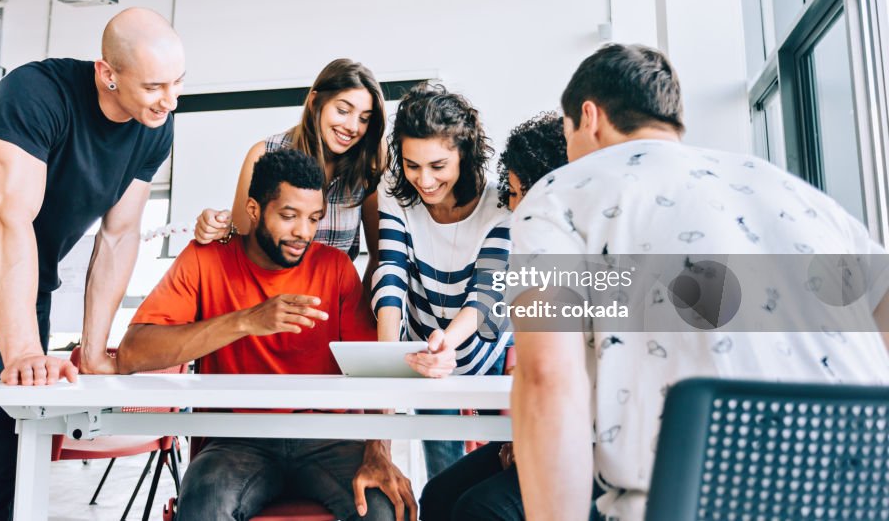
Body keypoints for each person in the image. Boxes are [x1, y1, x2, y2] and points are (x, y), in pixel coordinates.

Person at [509, 43, 889, 521]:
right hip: (863, 495)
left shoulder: (554, 196)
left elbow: (545, 376)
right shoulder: (792, 190)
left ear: (589, 117)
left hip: (692, 504)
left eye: (566, 135)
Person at [0, 7, 183, 520]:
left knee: (28, 439)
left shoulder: (154, 127)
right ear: (108, 73)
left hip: (28, 282)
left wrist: (94, 350)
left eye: (178, 82)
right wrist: (25, 349)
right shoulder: (35, 94)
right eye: (154, 86)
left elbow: (119, 237)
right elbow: (8, 220)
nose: (170, 99)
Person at [117, 148, 416, 521]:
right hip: (236, 439)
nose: (303, 232)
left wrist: (378, 450)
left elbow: (376, 373)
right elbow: (132, 353)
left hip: (327, 435)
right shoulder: (205, 258)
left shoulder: (335, 267)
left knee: (386, 509)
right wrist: (244, 321)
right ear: (255, 210)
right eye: (289, 216)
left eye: (314, 219)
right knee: (203, 508)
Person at [419, 112, 567, 521]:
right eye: (513, 191)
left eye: (522, 193)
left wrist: (537, 440)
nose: (513, 204)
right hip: (541, 434)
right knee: (438, 494)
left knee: (477, 509)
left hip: (584, 447)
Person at [371, 82, 511, 479]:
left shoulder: (500, 204)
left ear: (464, 155)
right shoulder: (394, 192)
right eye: (412, 165)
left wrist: (447, 342)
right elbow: (392, 274)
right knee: (442, 474)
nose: (424, 180)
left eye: (437, 167)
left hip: (484, 348)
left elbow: (485, 297)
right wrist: (387, 359)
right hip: (425, 351)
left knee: (499, 468)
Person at [194, 59, 386, 286]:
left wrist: (359, 315)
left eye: (364, 118)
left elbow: (378, 258)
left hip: (333, 306)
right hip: (269, 301)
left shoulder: (367, 168)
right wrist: (216, 226)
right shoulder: (264, 154)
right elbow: (238, 243)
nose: (353, 127)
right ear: (315, 102)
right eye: (343, 110)